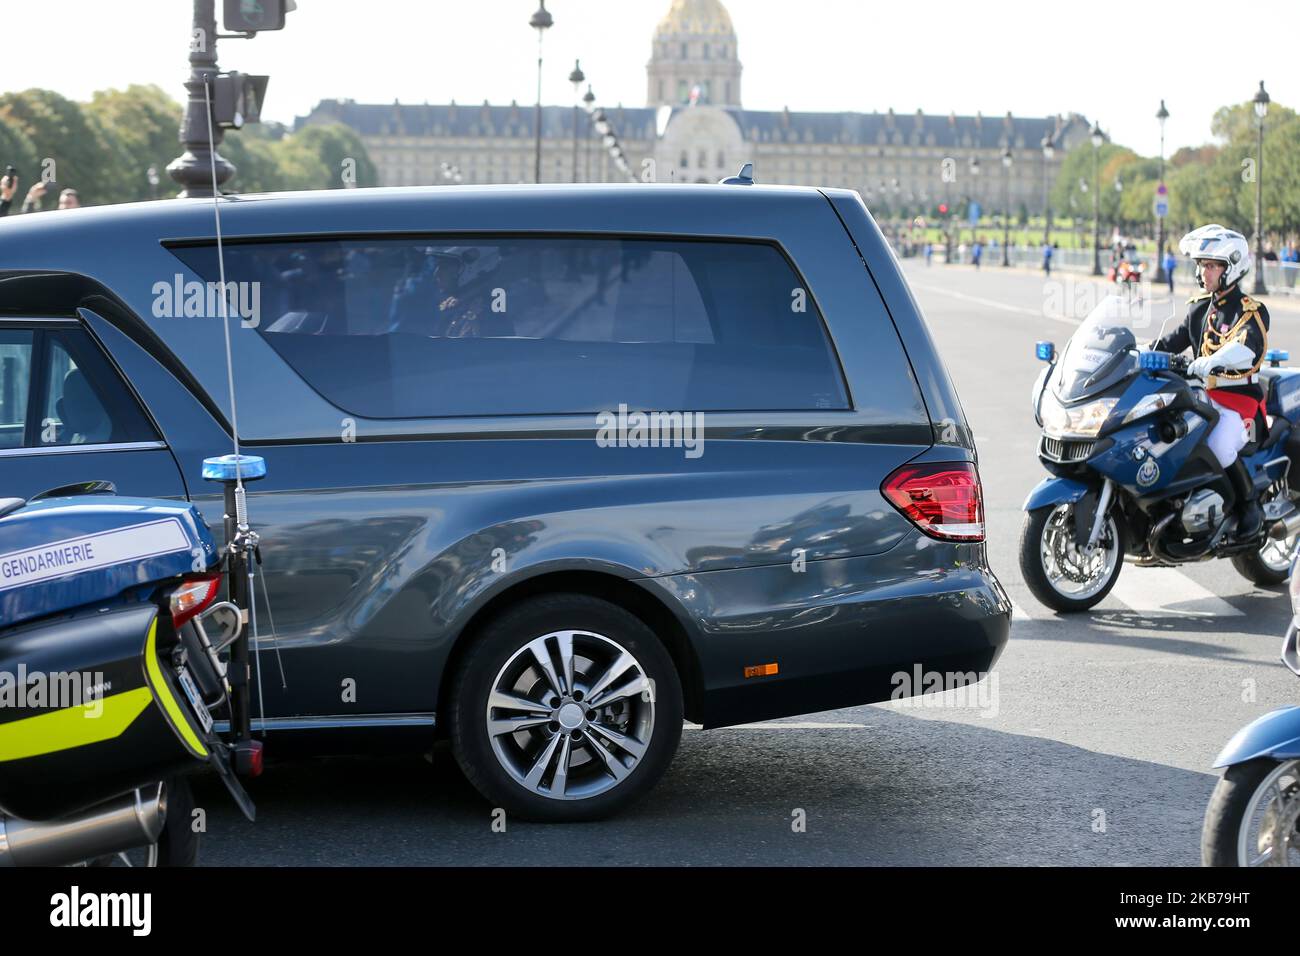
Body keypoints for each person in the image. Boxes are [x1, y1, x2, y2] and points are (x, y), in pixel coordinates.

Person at [1151, 224, 1269, 537]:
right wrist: (1137, 354)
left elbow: (1247, 346)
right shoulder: (1199, 309)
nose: (1205, 273)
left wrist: (1212, 362)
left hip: (1237, 401)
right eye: (1203, 265)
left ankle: (1249, 507)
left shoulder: (1250, 312)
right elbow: (1169, 344)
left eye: (1213, 266)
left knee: (1218, 445)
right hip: (1201, 398)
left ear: (1231, 268)